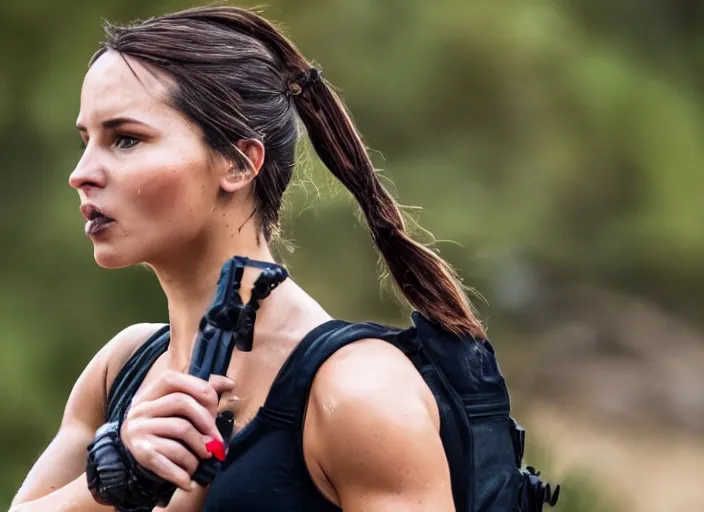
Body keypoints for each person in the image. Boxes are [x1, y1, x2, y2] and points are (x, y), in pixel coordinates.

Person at [10, 5, 490, 511]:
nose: (81, 173)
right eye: (86, 142)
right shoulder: (121, 368)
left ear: (238, 164)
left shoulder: (355, 390)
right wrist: (113, 474)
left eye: (126, 139)